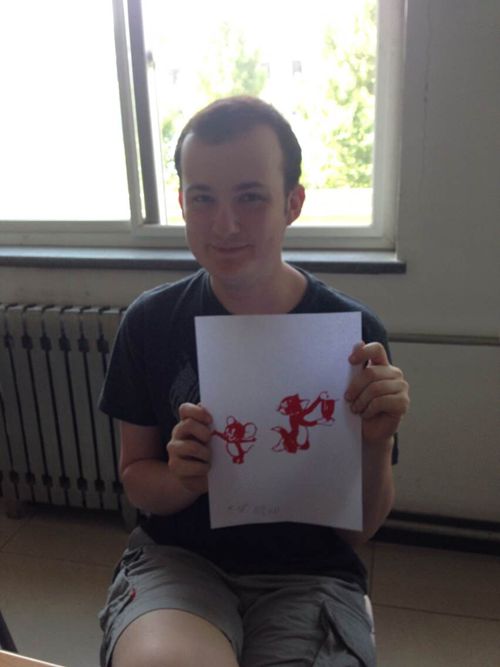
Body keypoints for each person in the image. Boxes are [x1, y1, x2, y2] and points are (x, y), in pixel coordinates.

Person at [98, 95, 410, 667]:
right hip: (180, 560)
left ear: (293, 203)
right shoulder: (149, 323)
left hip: (310, 572)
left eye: (250, 197)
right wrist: (184, 480)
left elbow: (358, 530)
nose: (225, 224)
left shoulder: (354, 336)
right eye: (203, 198)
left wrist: (377, 441)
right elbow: (136, 477)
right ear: (182, 204)